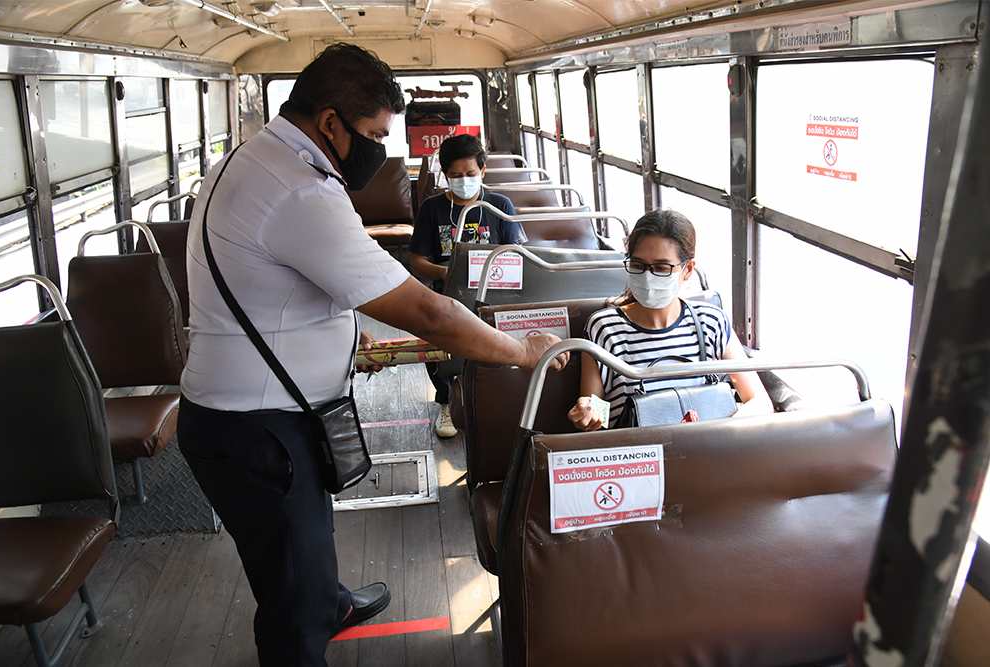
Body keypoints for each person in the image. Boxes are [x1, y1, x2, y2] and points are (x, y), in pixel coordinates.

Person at [178, 43, 567, 667]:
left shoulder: (252, 160)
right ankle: (311, 619)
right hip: (260, 428)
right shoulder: (298, 190)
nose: (381, 150)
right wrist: (521, 351)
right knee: (290, 601)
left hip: (246, 412)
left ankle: (327, 598)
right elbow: (429, 312)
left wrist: (333, 326)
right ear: (330, 122)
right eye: (375, 134)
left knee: (302, 540)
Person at [567, 209, 771, 430]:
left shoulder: (711, 323)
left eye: (661, 268)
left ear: (688, 269)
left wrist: (722, 434)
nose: (647, 276)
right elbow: (597, 413)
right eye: (638, 265)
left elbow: (758, 401)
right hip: (640, 458)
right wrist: (587, 414)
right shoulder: (603, 328)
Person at [408, 134, 528, 438]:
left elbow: (518, 255)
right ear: (445, 175)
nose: (464, 181)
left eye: (471, 175)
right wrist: (448, 273)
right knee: (430, 332)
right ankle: (447, 401)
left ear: (483, 171)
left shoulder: (500, 205)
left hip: (494, 290)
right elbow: (418, 261)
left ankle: (492, 399)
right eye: (456, 176)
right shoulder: (432, 209)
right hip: (447, 290)